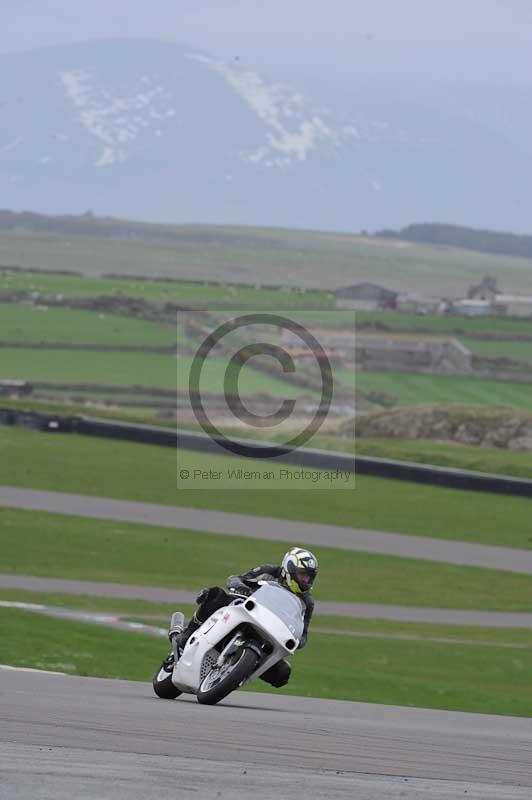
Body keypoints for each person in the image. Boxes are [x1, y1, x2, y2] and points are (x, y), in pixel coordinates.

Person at [169, 547, 318, 688]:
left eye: (309, 577)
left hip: (270, 634)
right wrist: (241, 587)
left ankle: (237, 674)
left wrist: (297, 640)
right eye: (302, 575)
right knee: (215, 595)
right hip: (246, 611)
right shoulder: (269, 571)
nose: (306, 580)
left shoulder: (307, 602)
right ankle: (185, 637)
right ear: (290, 568)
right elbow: (235, 579)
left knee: (282, 673)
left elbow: (303, 634)